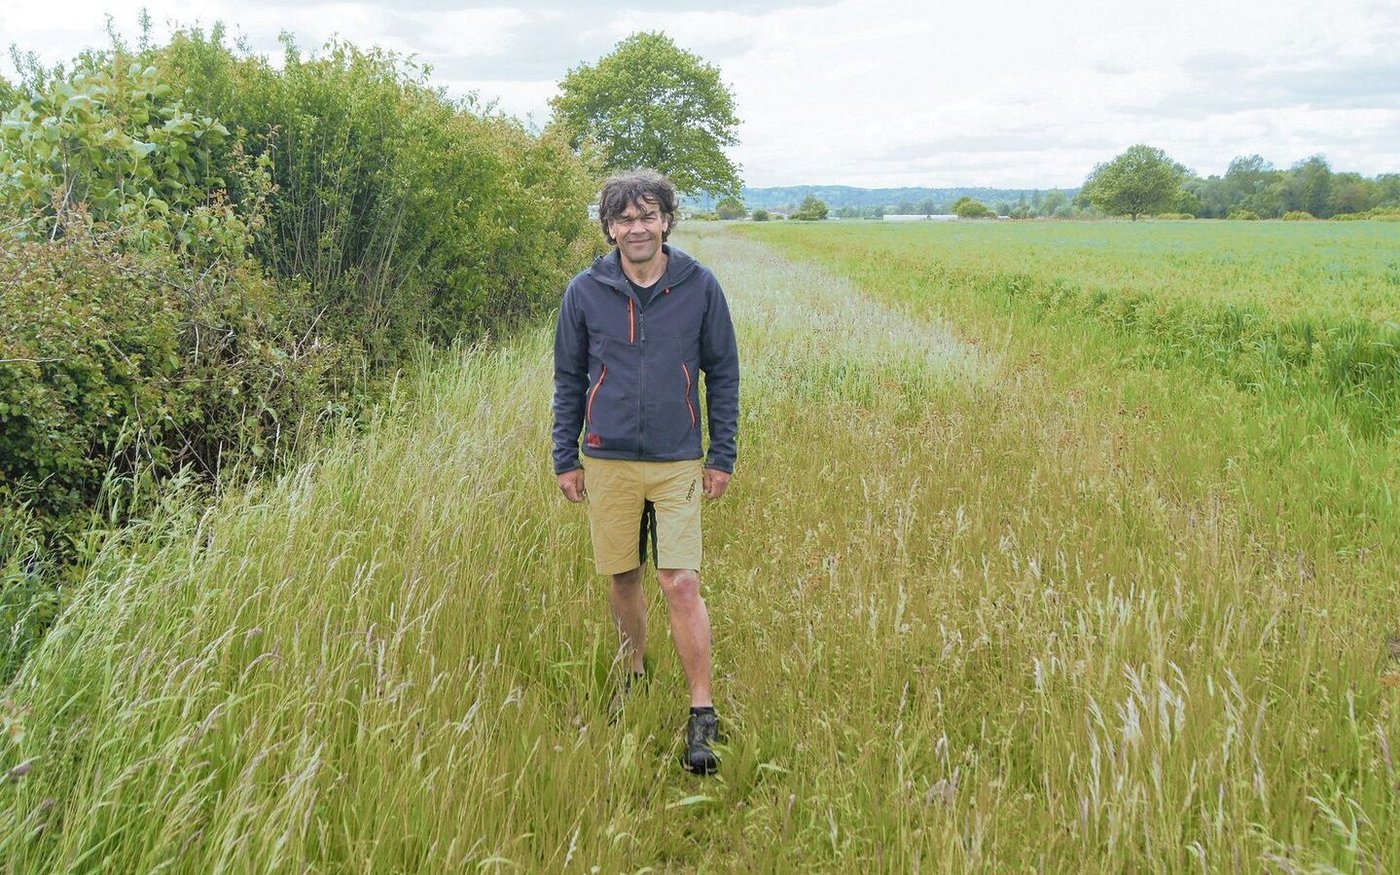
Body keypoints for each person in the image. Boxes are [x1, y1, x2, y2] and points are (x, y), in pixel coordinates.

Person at [552, 169, 740, 775]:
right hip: (606, 458)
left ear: (666, 221)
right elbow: (568, 378)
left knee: (679, 581)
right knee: (623, 576)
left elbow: (723, 373)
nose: (637, 228)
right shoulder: (584, 292)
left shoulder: (699, 286)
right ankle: (633, 674)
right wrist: (565, 455)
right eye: (625, 218)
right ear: (610, 228)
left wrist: (721, 454)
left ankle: (701, 712)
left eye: (648, 216)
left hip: (677, 457)